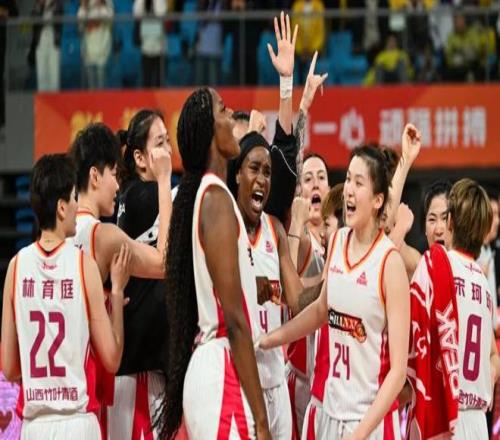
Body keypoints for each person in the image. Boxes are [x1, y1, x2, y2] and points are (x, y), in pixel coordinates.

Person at [261, 145, 410, 439]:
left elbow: (398, 373)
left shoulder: (390, 262)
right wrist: (271, 339)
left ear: (378, 200)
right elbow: (320, 310)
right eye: (348, 179)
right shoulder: (339, 241)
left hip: (369, 423)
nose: (349, 190)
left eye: (359, 183)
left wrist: (359, 433)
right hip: (329, 411)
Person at [154, 88, 270, 440]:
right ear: (209, 132)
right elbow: (234, 319)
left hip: (215, 370)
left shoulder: (212, 194)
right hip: (223, 370)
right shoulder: (216, 199)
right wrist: (262, 421)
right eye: (223, 109)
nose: (231, 113)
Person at [1, 154, 130, 439]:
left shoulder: (16, 267)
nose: (76, 206)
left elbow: (9, 368)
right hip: (76, 422)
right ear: (61, 207)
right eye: (73, 198)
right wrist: (117, 293)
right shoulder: (83, 265)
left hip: (35, 427)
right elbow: (111, 359)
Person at [69, 122, 171, 436]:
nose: (117, 184)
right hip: (97, 384)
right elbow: (164, 262)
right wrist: (164, 180)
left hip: (64, 387)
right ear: (94, 176)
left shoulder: (59, 234)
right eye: (113, 174)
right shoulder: (104, 235)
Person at [407, 179, 500, 438]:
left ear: (450, 222)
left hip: (444, 418)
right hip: (477, 421)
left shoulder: (435, 264)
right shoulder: (483, 282)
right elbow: (494, 356)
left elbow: (409, 345)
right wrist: (485, 378)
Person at [232, 130, 308, 438]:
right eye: (254, 168)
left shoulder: (274, 229)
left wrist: (334, 281)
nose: (262, 179)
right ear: (237, 174)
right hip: (240, 383)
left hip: (275, 381)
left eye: (267, 172)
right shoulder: (225, 227)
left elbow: (297, 300)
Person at [107, 110, 172, 440]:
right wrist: (165, 179)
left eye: (168, 142)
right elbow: (168, 255)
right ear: (139, 158)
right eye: (159, 143)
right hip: (138, 376)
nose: (168, 152)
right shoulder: (143, 195)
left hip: (142, 371)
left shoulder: (135, 195)